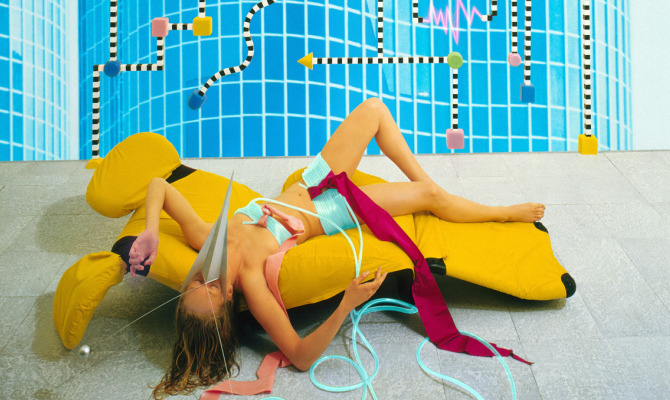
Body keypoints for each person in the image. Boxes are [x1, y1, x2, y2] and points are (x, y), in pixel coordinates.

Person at [130, 98, 545, 398]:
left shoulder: (204, 237)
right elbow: (300, 356)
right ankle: (502, 212)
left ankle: (428, 182)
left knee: (374, 110)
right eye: (214, 288)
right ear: (229, 297)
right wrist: (346, 303)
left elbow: (159, 186)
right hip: (334, 207)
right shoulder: (252, 280)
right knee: (430, 198)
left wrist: (150, 232)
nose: (208, 275)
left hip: (313, 180)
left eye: (196, 281)